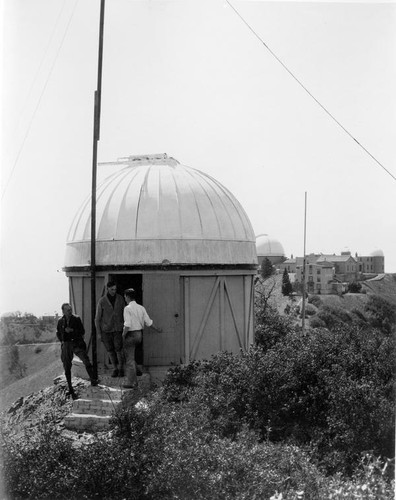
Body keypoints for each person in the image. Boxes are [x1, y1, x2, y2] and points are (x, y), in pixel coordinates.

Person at [56, 303, 99, 399]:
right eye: (67, 310)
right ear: (63, 311)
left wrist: (72, 331)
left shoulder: (76, 319)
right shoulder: (60, 321)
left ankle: (93, 380)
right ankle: (70, 388)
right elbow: (58, 332)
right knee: (67, 366)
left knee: (86, 361)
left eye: (70, 309)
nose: (70, 311)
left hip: (76, 343)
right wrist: (62, 341)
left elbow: (82, 331)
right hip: (67, 345)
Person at [122, 288, 161, 389]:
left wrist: (123, 334)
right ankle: (137, 370)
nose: (125, 298)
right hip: (139, 335)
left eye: (125, 296)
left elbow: (127, 324)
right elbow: (149, 322)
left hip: (130, 334)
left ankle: (132, 383)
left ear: (127, 297)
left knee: (129, 359)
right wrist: (158, 329)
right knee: (133, 355)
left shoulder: (127, 308)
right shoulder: (141, 308)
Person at [95, 281, 125, 377]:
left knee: (119, 349)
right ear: (107, 288)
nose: (113, 291)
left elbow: (125, 314)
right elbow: (97, 318)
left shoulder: (120, 299)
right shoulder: (102, 301)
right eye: (112, 289)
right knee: (110, 350)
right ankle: (115, 368)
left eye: (115, 289)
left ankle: (120, 368)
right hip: (106, 330)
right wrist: (99, 333)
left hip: (118, 329)